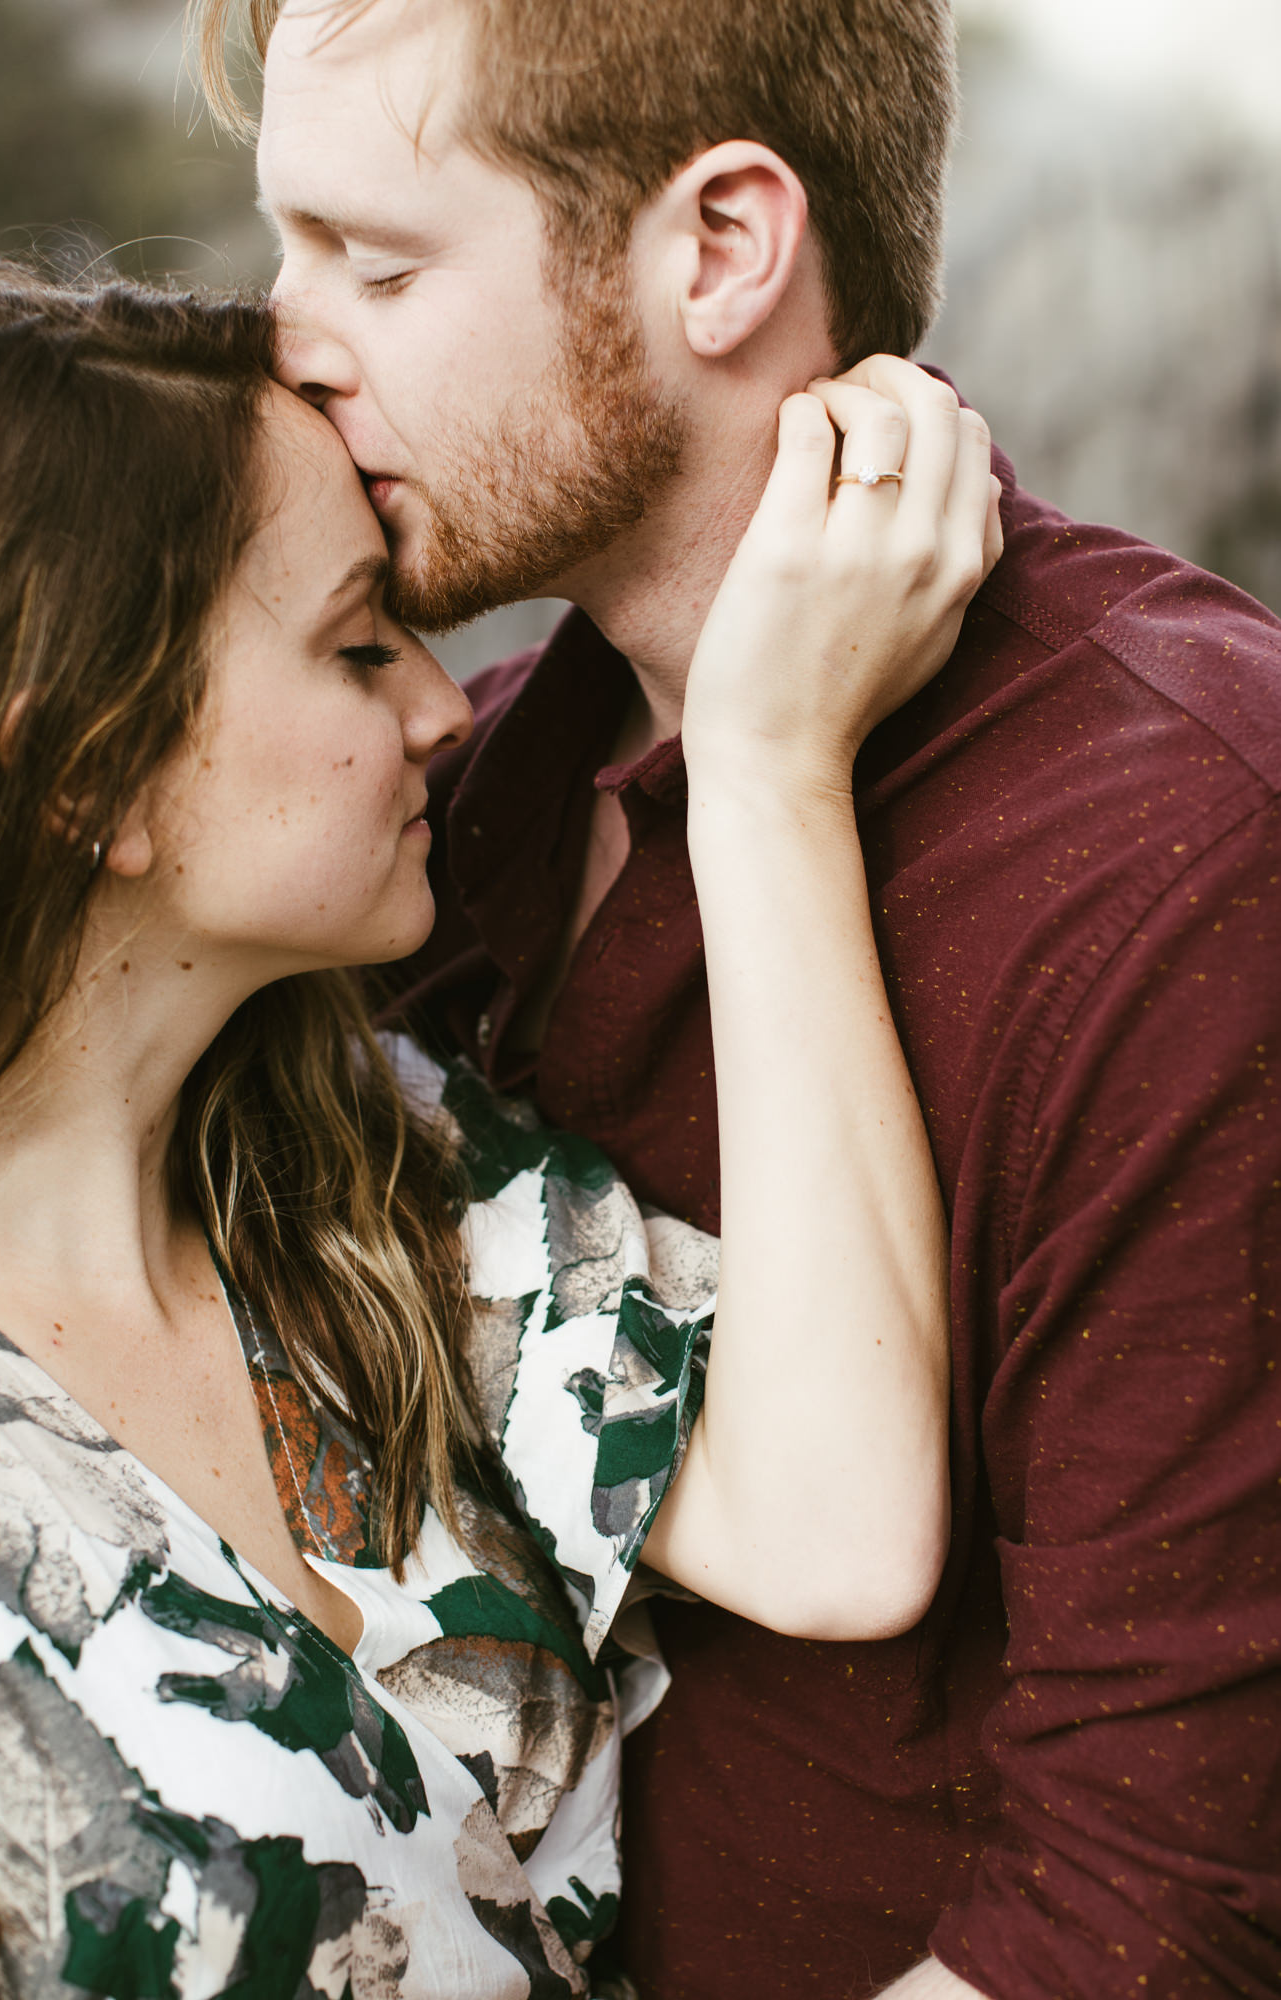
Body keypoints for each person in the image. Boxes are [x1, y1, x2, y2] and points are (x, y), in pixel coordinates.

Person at [191, 0, 1281, 1994]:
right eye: (285, 242)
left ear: (715, 249)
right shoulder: (430, 826)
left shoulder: (1189, 853)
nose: (290, 335)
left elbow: (1163, 1903)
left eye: (377, 258)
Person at [0, 267, 998, 1998]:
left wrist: (764, 772)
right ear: (86, 767)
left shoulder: (379, 1163)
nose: (447, 708)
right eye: (358, 645)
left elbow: (833, 1524)